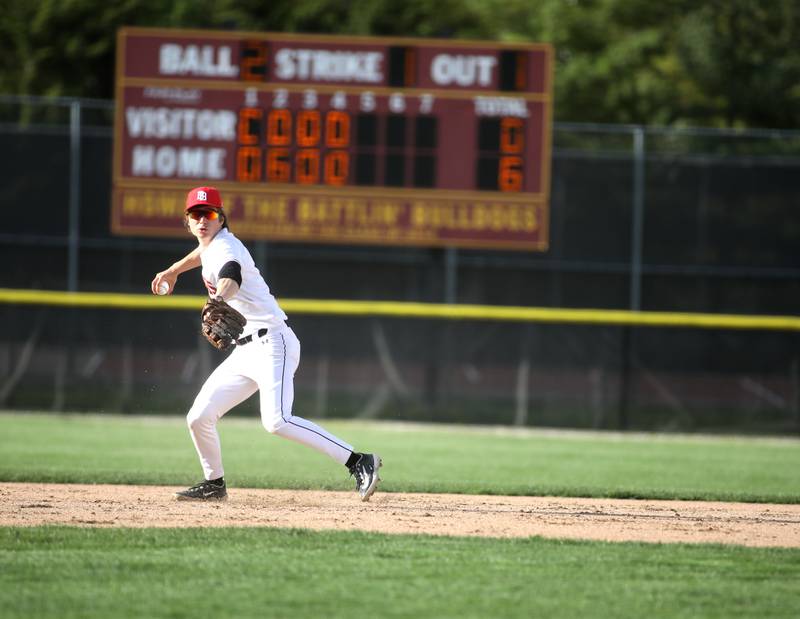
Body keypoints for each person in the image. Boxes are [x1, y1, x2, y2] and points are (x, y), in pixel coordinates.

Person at [151, 186, 381, 502]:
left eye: (209, 214)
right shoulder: (211, 246)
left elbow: (231, 275)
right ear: (187, 221)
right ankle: (214, 484)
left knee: (277, 421)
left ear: (221, 218)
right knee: (199, 417)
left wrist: (219, 297)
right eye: (196, 215)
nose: (202, 220)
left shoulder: (227, 248)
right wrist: (174, 270)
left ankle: (359, 461)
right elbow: (201, 253)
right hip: (245, 351)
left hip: (274, 343)